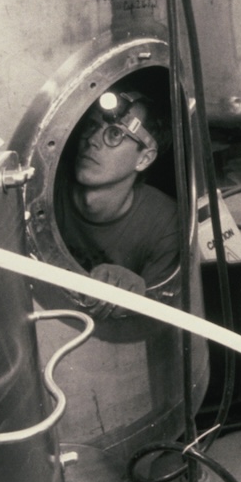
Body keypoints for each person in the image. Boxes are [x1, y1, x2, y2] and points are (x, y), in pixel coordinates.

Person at [56, 87, 180, 319]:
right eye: (92, 126)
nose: (92, 140)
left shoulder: (166, 224)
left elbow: (156, 319)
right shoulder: (48, 192)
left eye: (114, 134)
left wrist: (135, 288)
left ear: (144, 158)